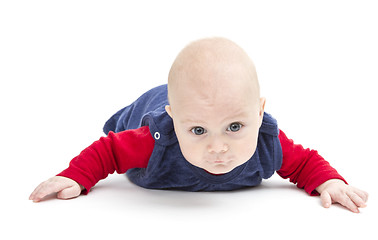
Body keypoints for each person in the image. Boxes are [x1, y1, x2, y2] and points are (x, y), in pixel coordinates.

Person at [29, 37, 368, 213]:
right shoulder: (155, 139)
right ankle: (145, 111)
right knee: (121, 124)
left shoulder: (266, 141)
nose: (218, 147)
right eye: (198, 131)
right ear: (176, 120)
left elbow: (306, 161)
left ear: (260, 113)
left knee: (205, 104)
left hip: (187, 103)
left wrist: (329, 182)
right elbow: (109, 151)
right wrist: (76, 175)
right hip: (151, 104)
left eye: (235, 127)